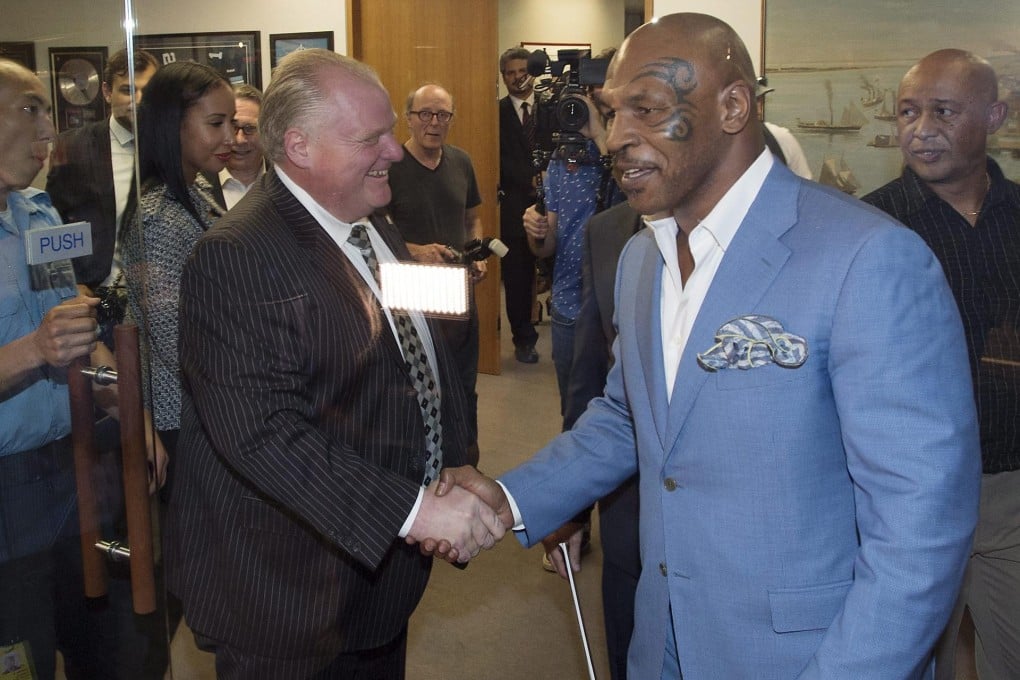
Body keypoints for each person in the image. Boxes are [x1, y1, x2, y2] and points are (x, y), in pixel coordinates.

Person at [430, 13, 982, 678]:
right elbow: (630, 417)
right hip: (663, 637)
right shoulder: (640, 259)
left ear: (733, 106)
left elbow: (920, 531)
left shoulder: (868, 259)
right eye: (612, 113)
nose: (619, 138)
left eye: (648, 109)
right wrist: (510, 497)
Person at [164, 49, 503, 679]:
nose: (396, 152)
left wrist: (454, 458)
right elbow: (261, 432)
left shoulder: (369, 220)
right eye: (372, 138)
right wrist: (416, 511)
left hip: (374, 582)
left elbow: (411, 344)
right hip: (288, 594)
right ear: (300, 147)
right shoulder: (236, 255)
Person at [0, 58, 167, 680]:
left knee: (115, 650)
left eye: (47, 108)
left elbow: (74, 333)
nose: (50, 125)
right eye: (29, 108)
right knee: (25, 657)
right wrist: (33, 351)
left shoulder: (39, 214)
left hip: (76, 470)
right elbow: (48, 343)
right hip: (7, 490)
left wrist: (130, 412)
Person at [863, 49, 1020, 680]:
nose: (920, 128)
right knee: (899, 661)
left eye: (943, 111)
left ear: (995, 116)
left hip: (1010, 487)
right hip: (904, 492)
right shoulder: (868, 226)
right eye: (908, 111)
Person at [120, 61, 234, 459]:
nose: (230, 137)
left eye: (232, 122)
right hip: (183, 414)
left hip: (207, 405)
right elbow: (173, 340)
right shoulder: (157, 218)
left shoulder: (195, 190)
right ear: (173, 125)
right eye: (216, 123)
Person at [387, 83, 485, 464]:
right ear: (409, 118)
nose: (433, 122)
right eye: (424, 114)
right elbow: (372, 228)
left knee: (463, 382)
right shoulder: (389, 164)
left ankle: (465, 459)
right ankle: (421, 463)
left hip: (458, 289)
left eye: (442, 115)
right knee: (418, 383)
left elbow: (472, 217)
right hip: (410, 289)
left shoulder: (461, 161)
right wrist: (413, 251)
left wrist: (477, 254)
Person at [46, 48, 160, 292]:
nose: (138, 99)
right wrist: (69, 285)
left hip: (162, 295)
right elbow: (52, 224)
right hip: (101, 295)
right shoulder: (73, 148)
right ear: (107, 92)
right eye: (127, 90)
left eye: (147, 90)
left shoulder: (172, 147)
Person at [499, 47, 551, 363]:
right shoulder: (496, 113)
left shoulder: (551, 108)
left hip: (556, 205)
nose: (518, 77)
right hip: (514, 208)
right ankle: (523, 340)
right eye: (510, 72)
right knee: (517, 279)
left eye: (523, 71)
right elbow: (496, 158)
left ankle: (567, 333)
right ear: (503, 76)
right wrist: (528, 179)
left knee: (562, 272)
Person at [208, 83, 267, 210]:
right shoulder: (197, 185)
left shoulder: (287, 181)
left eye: (250, 128)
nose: (239, 140)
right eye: (233, 127)